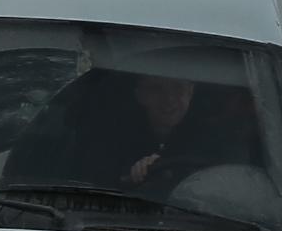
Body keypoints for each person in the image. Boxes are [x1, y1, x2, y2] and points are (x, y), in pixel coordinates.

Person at [30, 69, 250, 195]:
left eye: (179, 89)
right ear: (139, 95)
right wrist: (129, 175)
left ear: (192, 92)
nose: (170, 99)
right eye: (157, 89)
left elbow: (228, 190)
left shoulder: (216, 141)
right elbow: (92, 188)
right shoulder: (109, 139)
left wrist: (171, 167)